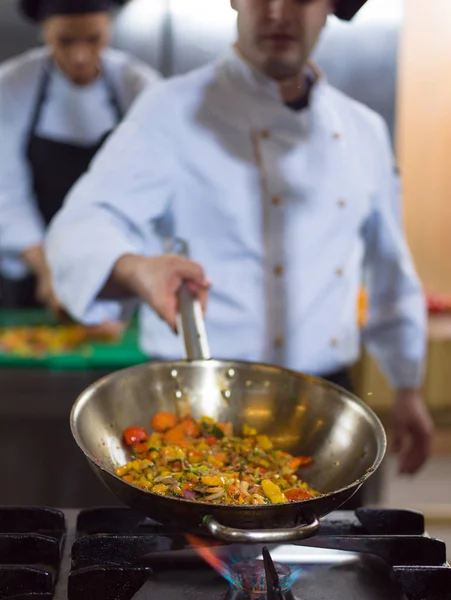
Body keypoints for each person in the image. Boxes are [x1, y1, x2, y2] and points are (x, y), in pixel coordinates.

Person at [46, 0, 434, 504]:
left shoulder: (362, 130)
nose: (276, 11)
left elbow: (389, 267)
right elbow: (78, 226)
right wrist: (136, 267)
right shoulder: (169, 110)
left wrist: (407, 386)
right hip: (194, 409)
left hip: (321, 415)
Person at [0, 0, 160, 312]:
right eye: (65, 41)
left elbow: (149, 190)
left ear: (110, 28)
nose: (80, 55)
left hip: (118, 273)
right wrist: (50, 270)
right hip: (33, 270)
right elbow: (5, 192)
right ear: (44, 32)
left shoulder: (140, 87)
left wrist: (108, 269)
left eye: (93, 39)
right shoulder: (11, 85)